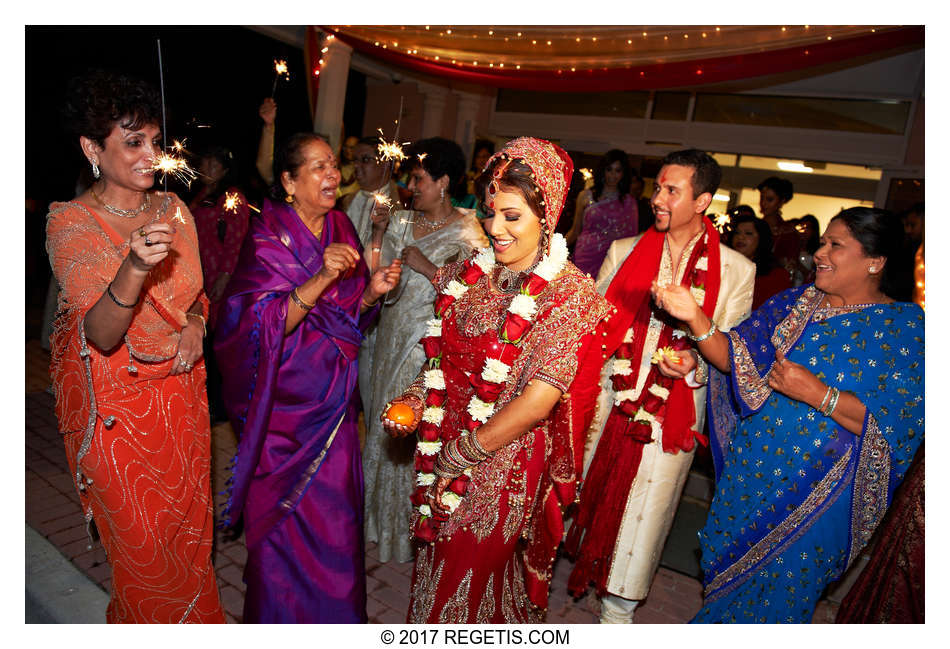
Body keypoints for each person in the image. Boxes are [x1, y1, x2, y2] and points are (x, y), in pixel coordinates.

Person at [651, 206, 924, 623]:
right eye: (822, 242)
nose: (819, 253)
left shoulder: (907, 329)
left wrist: (818, 394)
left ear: (875, 261)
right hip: (750, 485)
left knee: (778, 602)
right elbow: (737, 355)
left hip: (819, 502)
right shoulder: (797, 303)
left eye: (836, 245)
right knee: (726, 596)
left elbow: (899, 424)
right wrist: (696, 323)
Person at [383, 137, 616, 623]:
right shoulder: (473, 271)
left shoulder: (569, 294)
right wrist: (413, 399)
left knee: (460, 577)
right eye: (492, 213)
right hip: (443, 438)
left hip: (502, 457)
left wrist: (463, 452)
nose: (495, 229)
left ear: (548, 215)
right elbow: (441, 360)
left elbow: (538, 401)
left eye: (513, 217)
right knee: (437, 569)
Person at [46, 69, 224, 623]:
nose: (152, 155)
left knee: (191, 552)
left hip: (183, 404)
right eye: (133, 142)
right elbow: (100, 334)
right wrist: (134, 265)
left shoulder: (174, 208)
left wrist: (195, 322)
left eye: (155, 141)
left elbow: (194, 297)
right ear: (91, 148)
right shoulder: (69, 222)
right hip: (119, 420)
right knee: (145, 559)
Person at [214, 133, 403, 623]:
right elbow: (250, 329)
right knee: (280, 527)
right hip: (280, 410)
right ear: (289, 181)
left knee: (336, 522)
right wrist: (319, 278)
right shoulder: (266, 237)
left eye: (333, 165)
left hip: (333, 405)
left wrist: (371, 294)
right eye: (317, 167)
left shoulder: (341, 225)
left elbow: (348, 320)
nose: (332, 175)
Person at [566, 149, 755, 624]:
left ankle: (618, 610)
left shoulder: (736, 271)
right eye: (658, 187)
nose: (658, 198)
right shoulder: (623, 251)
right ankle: (573, 567)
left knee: (645, 514)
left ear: (703, 201)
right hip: (609, 397)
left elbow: (732, 353)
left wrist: (694, 359)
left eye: (673, 190)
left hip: (673, 411)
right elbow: (593, 330)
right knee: (583, 488)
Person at [359, 136, 488, 564]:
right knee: (382, 423)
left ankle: (405, 533)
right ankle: (373, 522)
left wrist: (429, 270)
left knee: (411, 432)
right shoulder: (399, 222)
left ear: (444, 181)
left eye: (418, 178)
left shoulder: (469, 232)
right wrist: (378, 234)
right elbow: (376, 276)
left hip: (427, 347)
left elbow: (477, 303)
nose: (410, 186)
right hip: (388, 333)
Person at [566, 149, 639, 277]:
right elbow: (575, 231)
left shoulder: (629, 202)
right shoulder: (585, 196)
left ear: (623, 174)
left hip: (612, 261)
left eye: (618, 170)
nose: (612, 175)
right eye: (609, 169)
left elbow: (631, 238)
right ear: (603, 170)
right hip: (584, 258)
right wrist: (554, 251)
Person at [340, 135, 404, 251]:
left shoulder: (405, 203)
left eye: (365, 160)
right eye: (355, 160)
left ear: (385, 163)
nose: (356, 165)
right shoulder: (343, 202)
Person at [727, 211, 792, 309]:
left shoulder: (776, 275)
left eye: (748, 234)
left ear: (761, 239)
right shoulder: (724, 267)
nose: (740, 237)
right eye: (737, 233)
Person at [756, 176, 801, 282]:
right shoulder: (753, 226)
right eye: (762, 198)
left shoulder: (789, 233)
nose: (763, 203)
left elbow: (790, 269)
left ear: (781, 202)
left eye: (770, 199)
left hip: (773, 284)